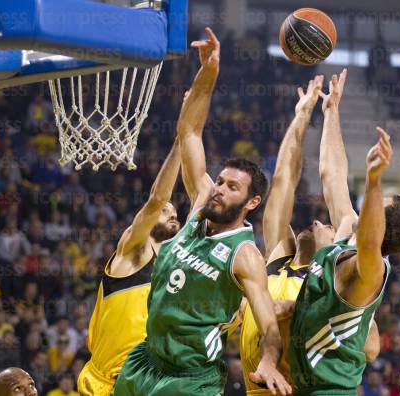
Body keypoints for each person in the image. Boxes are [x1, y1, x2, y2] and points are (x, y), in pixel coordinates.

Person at [113, 27, 290, 396]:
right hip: (145, 360)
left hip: (190, 378)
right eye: (221, 181)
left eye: (232, 187)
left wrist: (269, 361)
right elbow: (190, 131)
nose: (219, 190)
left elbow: (269, 327)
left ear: (251, 203)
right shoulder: (200, 206)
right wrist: (208, 72)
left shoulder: (245, 256)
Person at [238, 75, 380, 395]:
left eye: (327, 225)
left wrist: (332, 113)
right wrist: (303, 115)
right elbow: (283, 179)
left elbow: (334, 181)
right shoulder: (277, 257)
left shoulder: (337, 278)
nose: (317, 222)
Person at [289, 69, 400, 395]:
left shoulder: (372, 272)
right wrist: (332, 112)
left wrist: (375, 179)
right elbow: (332, 174)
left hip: (333, 389)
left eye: (376, 205)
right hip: (304, 384)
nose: (364, 206)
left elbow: (371, 241)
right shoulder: (347, 231)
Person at [76, 138, 181, 394]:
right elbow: (157, 199)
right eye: (166, 211)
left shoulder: (173, 271)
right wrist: (181, 141)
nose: (172, 213)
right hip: (106, 383)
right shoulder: (133, 250)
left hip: (145, 383)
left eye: (175, 212)